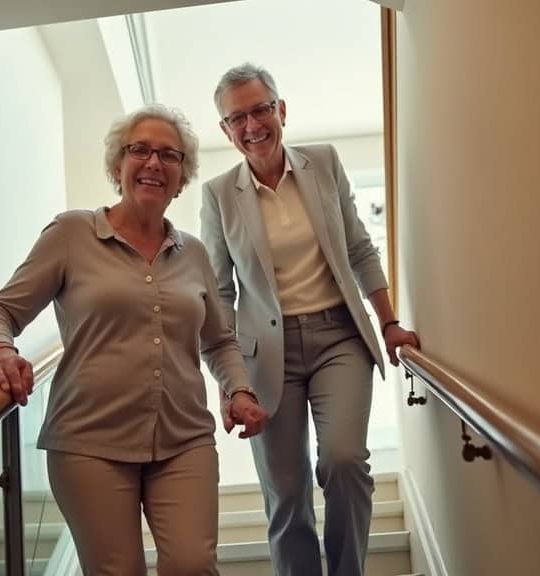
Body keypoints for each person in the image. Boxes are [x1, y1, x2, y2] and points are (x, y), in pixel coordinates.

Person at [0, 104, 268, 576]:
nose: (154, 162)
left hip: (184, 438)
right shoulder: (71, 233)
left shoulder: (193, 253)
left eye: (169, 156)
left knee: (193, 565)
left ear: (182, 179)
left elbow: (219, 341)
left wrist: (240, 389)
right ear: (117, 166)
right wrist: (1, 350)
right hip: (89, 442)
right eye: (140, 150)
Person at [199, 64, 421, 576]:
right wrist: (230, 384)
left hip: (338, 337)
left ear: (281, 109)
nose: (252, 125)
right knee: (286, 490)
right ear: (225, 130)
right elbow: (220, 294)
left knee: (343, 461)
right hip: (262, 355)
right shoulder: (217, 194)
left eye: (260, 109)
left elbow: (360, 249)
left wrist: (388, 323)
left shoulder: (323, 163)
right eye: (237, 118)